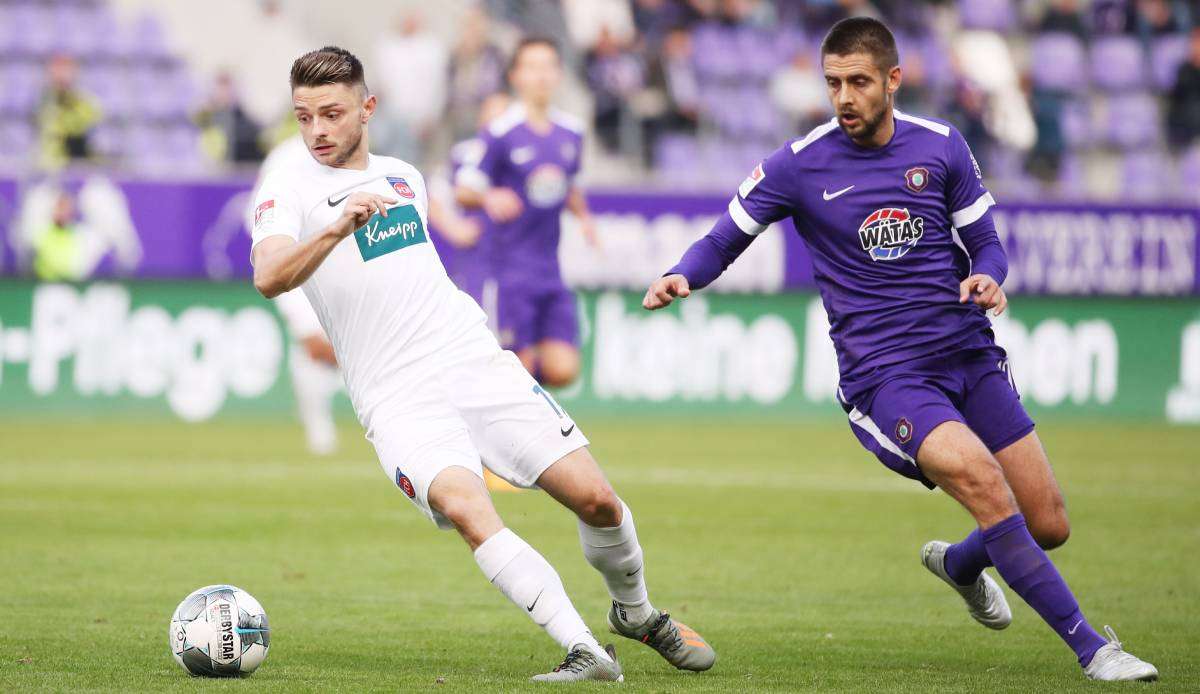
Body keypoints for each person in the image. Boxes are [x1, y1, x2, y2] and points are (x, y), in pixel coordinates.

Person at [644, 18, 1157, 683]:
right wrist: (684, 273)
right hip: (886, 376)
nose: (844, 97)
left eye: (858, 82)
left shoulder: (942, 147)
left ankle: (961, 563)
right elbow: (725, 236)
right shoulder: (799, 163)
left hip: (968, 354)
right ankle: (1096, 649)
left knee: (1047, 521)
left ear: (892, 79)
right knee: (979, 478)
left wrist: (989, 277)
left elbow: (989, 245)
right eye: (832, 83)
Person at [250, 46, 714, 683]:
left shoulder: (403, 176)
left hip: (472, 360)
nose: (318, 131)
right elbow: (269, 275)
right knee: (470, 509)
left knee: (598, 501)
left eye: (331, 114)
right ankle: (585, 650)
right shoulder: (287, 190)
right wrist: (333, 231)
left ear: (368, 108)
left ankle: (634, 613)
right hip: (395, 397)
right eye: (304, 117)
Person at [455, 38, 597, 388]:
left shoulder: (572, 133)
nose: (541, 75)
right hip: (507, 271)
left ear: (559, 73)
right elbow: (464, 188)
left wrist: (584, 217)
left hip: (549, 269)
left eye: (548, 66)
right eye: (532, 67)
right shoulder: (500, 132)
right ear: (516, 76)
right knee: (517, 371)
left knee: (563, 369)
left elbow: (568, 185)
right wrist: (489, 196)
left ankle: (515, 411)